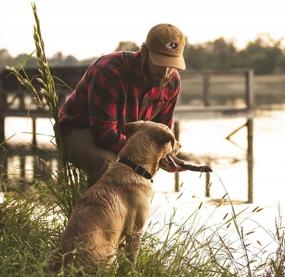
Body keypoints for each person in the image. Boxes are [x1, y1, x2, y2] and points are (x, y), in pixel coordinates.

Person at [57, 23, 186, 186]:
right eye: (160, 63)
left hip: (126, 139)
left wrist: (163, 155)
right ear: (144, 52)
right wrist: (145, 154)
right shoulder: (110, 70)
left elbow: (162, 131)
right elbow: (104, 134)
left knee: (142, 174)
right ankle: (95, 211)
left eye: (172, 64)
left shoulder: (172, 82)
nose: (165, 72)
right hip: (80, 129)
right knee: (108, 165)